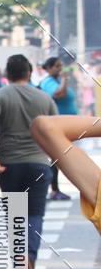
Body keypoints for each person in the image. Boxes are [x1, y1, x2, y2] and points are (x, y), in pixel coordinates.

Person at [0, 54, 57, 269]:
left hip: (9, 164)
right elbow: (56, 127)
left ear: (7, 73)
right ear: (29, 72)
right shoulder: (44, 97)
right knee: (34, 214)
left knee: (15, 214)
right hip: (39, 163)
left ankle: (18, 259)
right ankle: (29, 257)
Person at [30, 115, 101, 234]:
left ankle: (23, 251)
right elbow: (46, 127)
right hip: (33, 163)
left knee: (24, 211)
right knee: (31, 214)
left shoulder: (0, 99)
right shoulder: (46, 100)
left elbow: (46, 127)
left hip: (10, 165)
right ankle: (25, 251)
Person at [38, 57, 77, 201]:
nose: (60, 69)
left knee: (58, 158)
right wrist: (65, 80)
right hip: (56, 125)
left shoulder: (55, 81)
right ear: (48, 68)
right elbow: (58, 94)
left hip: (63, 125)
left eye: (61, 66)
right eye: (56, 66)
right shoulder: (48, 82)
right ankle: (53, 189)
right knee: (55, 158)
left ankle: (54, 189)